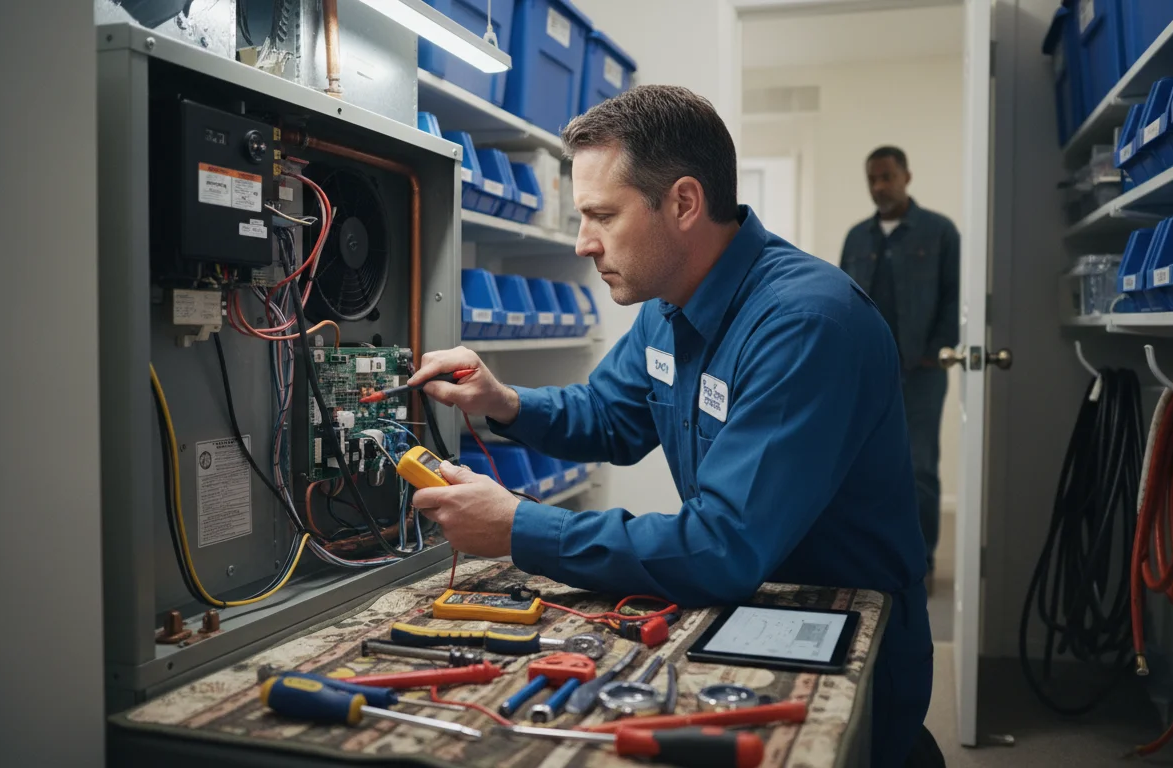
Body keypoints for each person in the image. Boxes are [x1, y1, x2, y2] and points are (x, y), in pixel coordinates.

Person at [409, 86, 931, 767]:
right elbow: (610, 417)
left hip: (844, 641)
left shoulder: (807, 324)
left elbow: (721, 544)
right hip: (741, 610)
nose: (581, 243)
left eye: (601, 215)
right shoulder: (667, 301)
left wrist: (517, 526)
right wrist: (502, 401)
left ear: (683, 203)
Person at [839, 147, 960, 585]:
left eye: (887, 177)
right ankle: (873, 555)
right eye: (873, 178)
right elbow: (844, 300)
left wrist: (934, 351)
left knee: (919, 468)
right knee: (863, 464)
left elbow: (954, 296)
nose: (879, 186)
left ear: (907, 176)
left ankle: (921, 561)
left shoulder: (939, 232)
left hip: (922, 372)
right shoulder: (857, 237)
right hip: (867, 371)